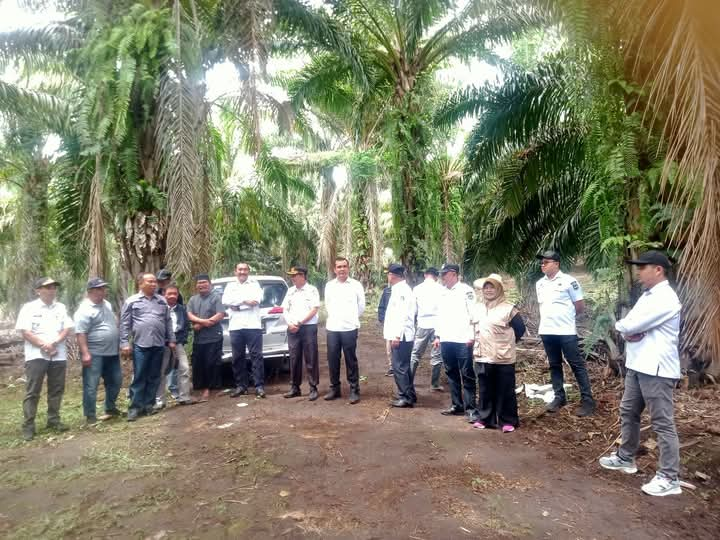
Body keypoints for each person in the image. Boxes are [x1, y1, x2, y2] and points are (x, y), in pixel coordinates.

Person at [599, 251, 683, 496]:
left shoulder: (666, 298)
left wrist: (626, 329)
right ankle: (626, 457)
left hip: (656, 369)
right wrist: (627, 329)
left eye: (642, 267)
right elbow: (630, 322)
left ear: (658, 270)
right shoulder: (648, 296)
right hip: (638, 365)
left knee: (662, 422)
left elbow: (631, 324)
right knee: (628, 411)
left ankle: (669, 477)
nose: (638, 272)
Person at [535, 250, 596, 416]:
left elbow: (580, 305)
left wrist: (567, 318)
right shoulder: (540, 283)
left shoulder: (570, 281)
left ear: (556, 263)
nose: (543, 265)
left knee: (576, 364)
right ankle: (559, 397)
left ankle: (587, 400)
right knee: (554, 365)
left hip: (565, 331)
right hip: (547, 330)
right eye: (541, 262)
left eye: (546, 262)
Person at [15, 278, 74, 440]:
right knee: (33, 390)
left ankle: (54, 420)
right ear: (38, 290)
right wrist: (44, 345)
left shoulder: (60, 307)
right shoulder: (29, 308)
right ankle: (28, 425)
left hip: (58, 355)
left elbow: (67, 328)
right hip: (36, 355)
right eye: (48, 287)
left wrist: (54, 343)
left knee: (56, 389)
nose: (52, 290)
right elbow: (25, 332)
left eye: (54, 287)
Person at [470, 274, 526, 432]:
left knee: (505, 389)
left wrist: (507, 343)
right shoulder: (478, 307)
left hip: (503, 357)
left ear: (499, 289)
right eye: (486, 287)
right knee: (485, 388)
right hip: (482, 355)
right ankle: (485, 418)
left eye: (492, 287)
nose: (488, 290)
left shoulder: (509, 308)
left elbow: (520, 329)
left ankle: (507, 421)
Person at [120, 272, 175, 422]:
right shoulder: (132, 301)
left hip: (158, 344)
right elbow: (125, 324)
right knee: (139, 376)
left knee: (154, 376)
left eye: (154, 282)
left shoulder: (162, 301)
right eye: (150, 281)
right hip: (140, 345)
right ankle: (135, 407)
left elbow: (168, 322)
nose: (153, 284)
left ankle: (148, 405)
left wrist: (172, 339)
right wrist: (124, 343)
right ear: (140, 284)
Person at [74, 277, 122, 424]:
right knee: (91, 384)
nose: (103, 291)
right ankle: (90, 415)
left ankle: (110, 407)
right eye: (99, 289)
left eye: (103, 288)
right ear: (90, 291)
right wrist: (85, 353)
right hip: (95, 353)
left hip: (112, 352)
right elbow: (81, 333)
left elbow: (112, 321)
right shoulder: (84, 310)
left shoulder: (106, 304)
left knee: (116, 380)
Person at [433, 264, 477, 422]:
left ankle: (471, 408)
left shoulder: (466, 291)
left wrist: (472, 336)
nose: (442, 277)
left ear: (453, 274)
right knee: (451, 373)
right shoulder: (441, 292)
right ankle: (457, 404)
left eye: (444, 274)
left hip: (463, 339)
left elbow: (473, 314)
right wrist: (437, 336)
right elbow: (438, 315)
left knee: (467, 374)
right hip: (446, 338)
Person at [324, 257, 366, 404]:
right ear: (334, 269)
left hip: (349, 328)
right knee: (333, 359)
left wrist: (351, 318)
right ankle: (334, 389)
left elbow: (361, 306)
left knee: (350, 359)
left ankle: (354, 390)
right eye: (339, 267)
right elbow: (328, 305)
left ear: (348, 268)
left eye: (344, 266)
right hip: (333, 328)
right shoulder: (329, 286)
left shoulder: (356, 285)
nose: (341, 269)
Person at [221, 262, 265, 398]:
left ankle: (259, 386)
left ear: (248, 271)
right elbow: (225, 301)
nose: (242, 272)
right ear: (235, 271)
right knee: (237, 357)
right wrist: (246, 301)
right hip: (236, 326)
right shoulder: (230, 285)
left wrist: (237, 303)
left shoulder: (255, 284)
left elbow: (257, 301)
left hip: (253, 325)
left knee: (256, 356)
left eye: (245, 269)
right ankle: (241, 386)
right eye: (240, 269)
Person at [281, 266, 321, 400]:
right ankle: (295, 387)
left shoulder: (312, 290)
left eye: (294, 275)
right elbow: (284, 309)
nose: (292, 278)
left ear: (302, 276)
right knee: (294, 358)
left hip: (307, 327)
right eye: (291, 276)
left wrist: (299, 322)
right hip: (292, 329)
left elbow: (314, 310)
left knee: (311, 357)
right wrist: (289, 324)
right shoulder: (290, 291)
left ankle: (313, 387)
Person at [186, 274, 226, 402]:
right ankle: (200, 388)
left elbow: (220, 314)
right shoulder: (193, 299)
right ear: (196, 286)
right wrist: (204, 322)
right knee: (198, 364)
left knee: (211, 363)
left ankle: (211, 389)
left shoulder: (216, 298)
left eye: (204, 282)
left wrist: (202, 323)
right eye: (199, 283)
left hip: (214, 337)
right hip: (199, 339)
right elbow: (189, 315)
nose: (201, 285)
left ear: (210, 284)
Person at [383, 263, 417, 408]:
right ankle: (410, 394)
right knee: (404, 367)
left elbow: (402, 315)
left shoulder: (401, 290)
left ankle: (405, 397)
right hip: (402, 334)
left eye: (388, 274)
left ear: (393, 275)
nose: (388, 276)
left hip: (401, 336)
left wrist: (396, 336)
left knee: (399, 367)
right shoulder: (400, 289)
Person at [156, 283, 193, 407]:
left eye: (175, 294)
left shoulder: (182, 309)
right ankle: (160, 401)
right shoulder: (159, 308)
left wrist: (180, 340)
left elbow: (186, 327)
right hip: (163, 344)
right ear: (163, 294)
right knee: (162, 372)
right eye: (169, 294)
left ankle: (184, 397)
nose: (172, 296)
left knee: (185, 368)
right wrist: (166, 341)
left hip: (178, 343)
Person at [411, 267, 444, 391]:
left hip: (423, 324)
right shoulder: (441, 289)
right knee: (436, 355)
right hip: (437, 325)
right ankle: (434, 384)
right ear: (436, 276)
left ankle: (409, 380)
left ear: (425, 275)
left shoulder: (417, 289)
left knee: (415, 354)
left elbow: (413, 309)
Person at [377, 284, 393, 376]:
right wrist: (382, 319)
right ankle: (392, 367)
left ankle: (400, 367)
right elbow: (381, 306)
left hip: (402, 324)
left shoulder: (406, 290)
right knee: (389, 346)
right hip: (389, 322)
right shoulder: (387, 291)